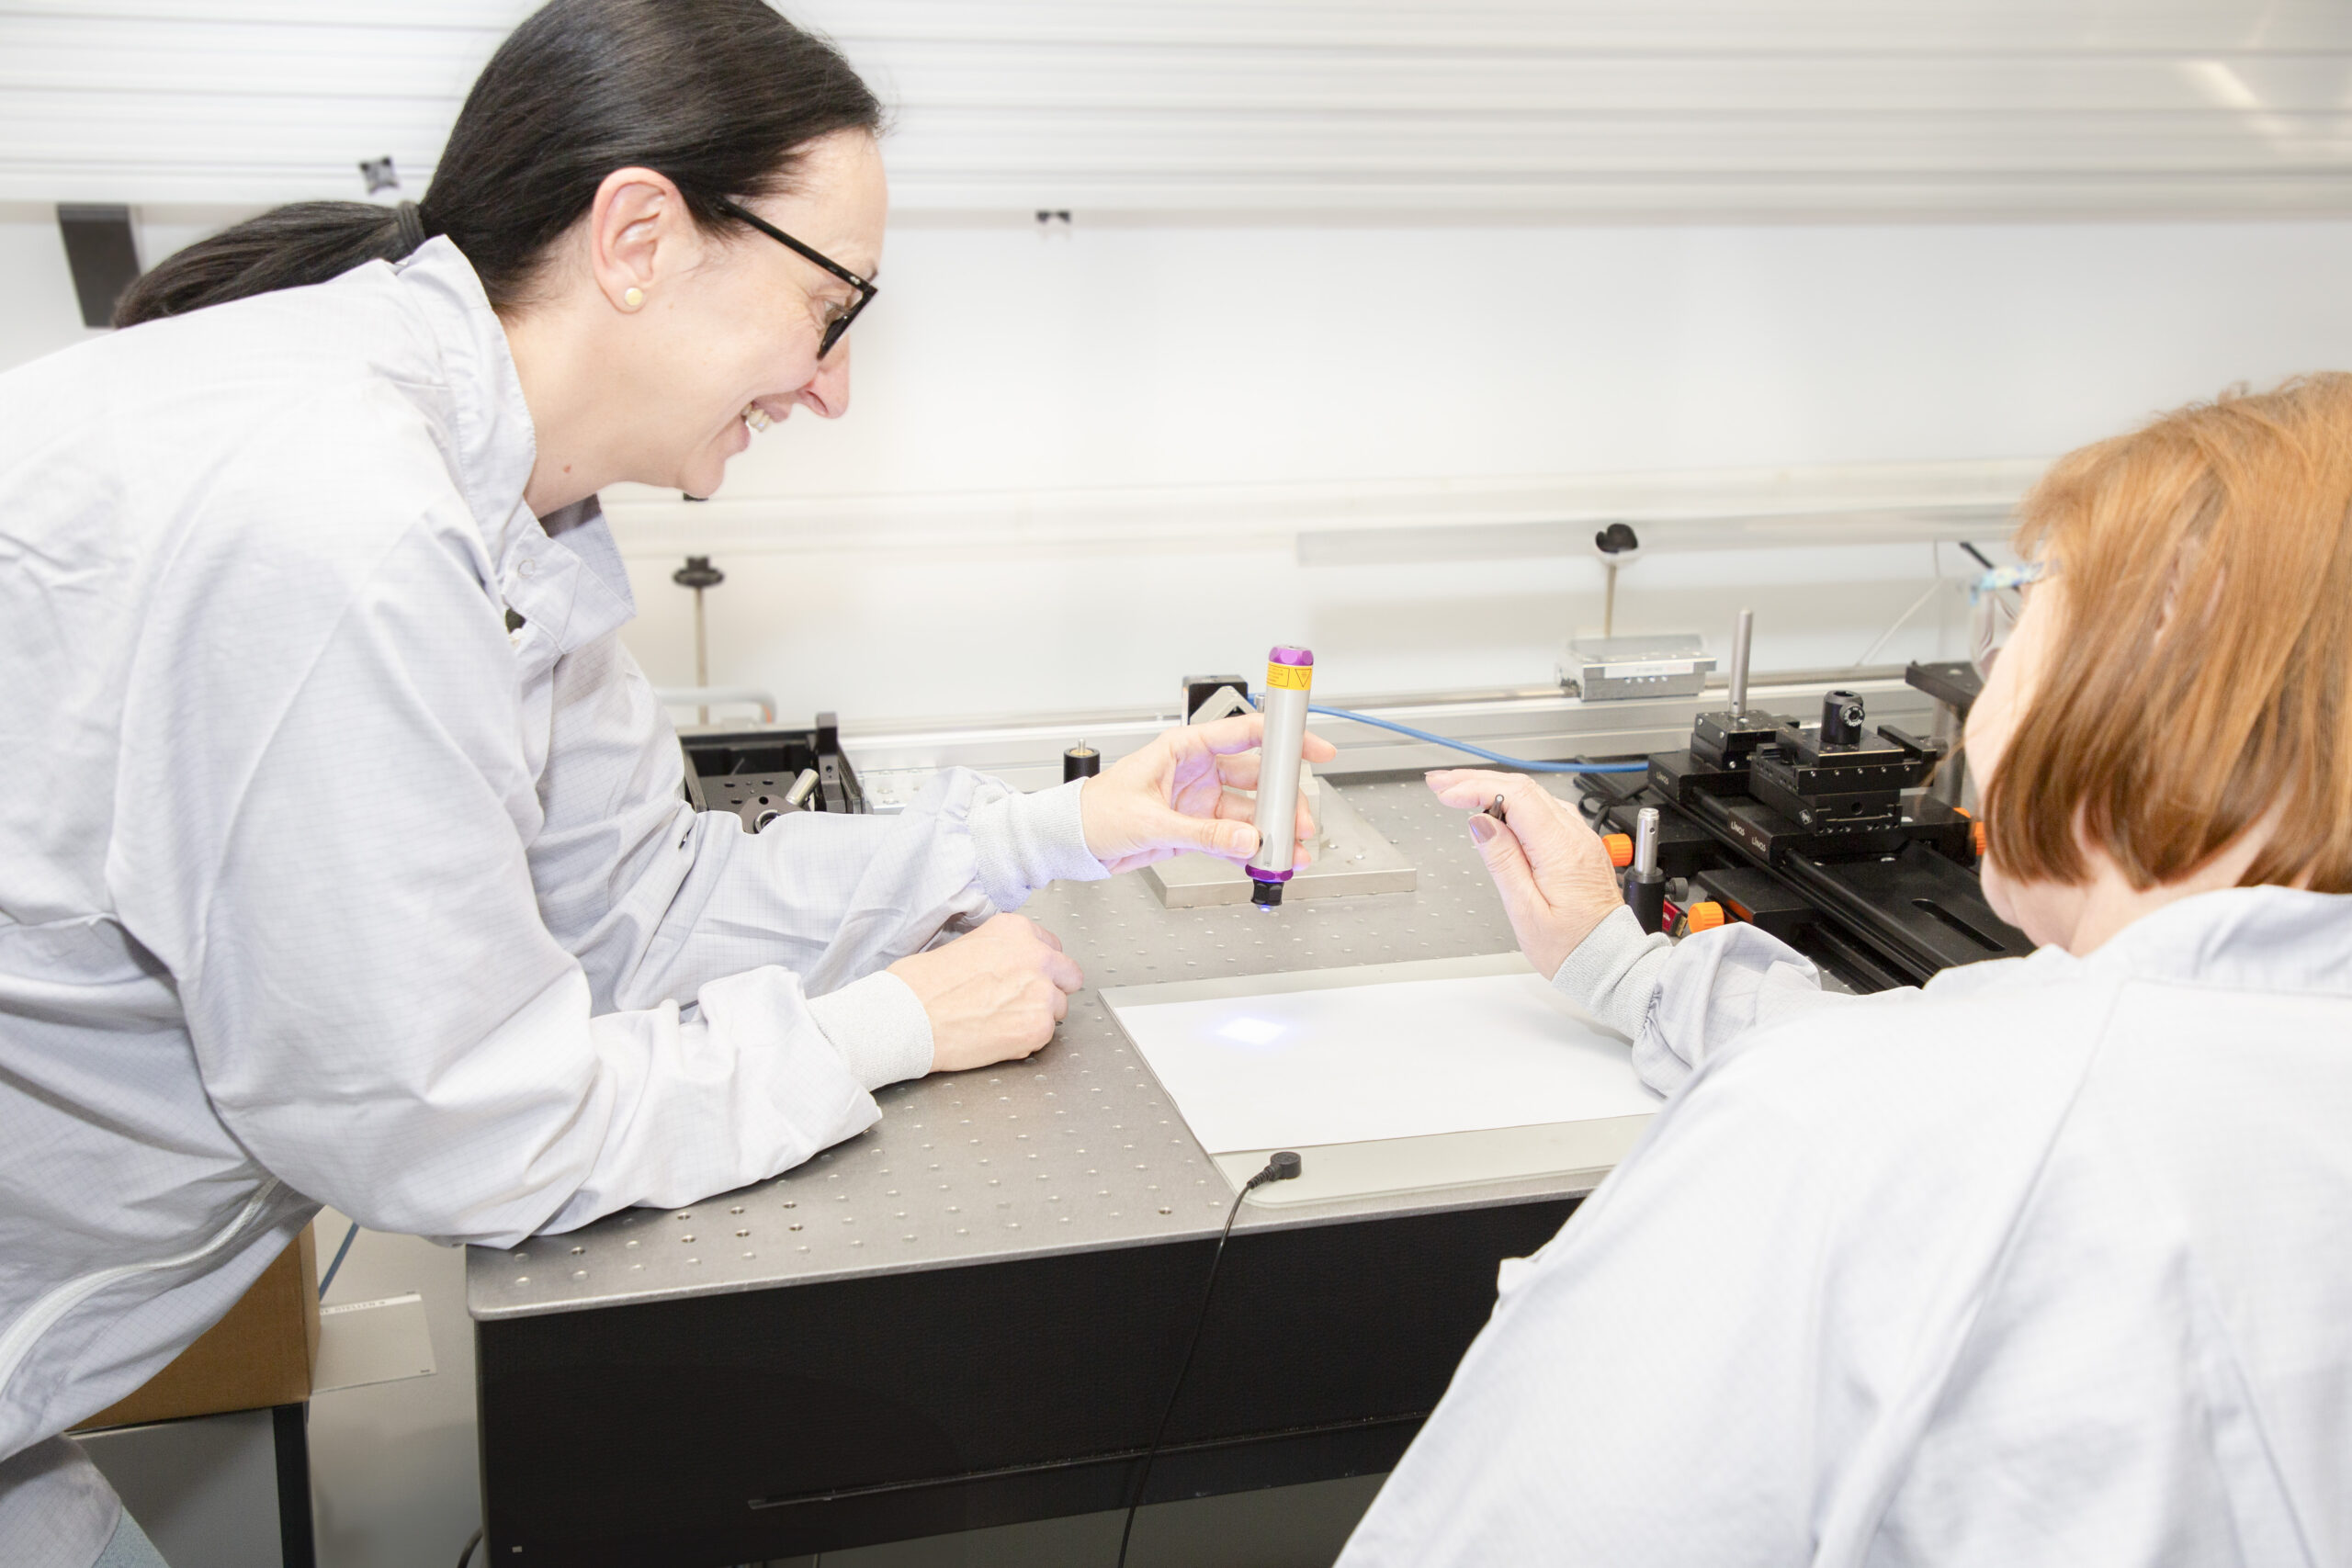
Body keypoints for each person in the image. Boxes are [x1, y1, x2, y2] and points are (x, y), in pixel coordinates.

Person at [0, 4, 1329, 1563]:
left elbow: (642, 898)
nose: (832, 386)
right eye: (832, 306)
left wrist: (1062, 830)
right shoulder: (338, 517)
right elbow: (458, 1129)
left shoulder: (495, 500)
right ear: (637, 234)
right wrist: (894, 1026)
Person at [1343, 376, 2352, 1565]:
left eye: (2028, 606)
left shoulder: (1834, 1141)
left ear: (2157, 668)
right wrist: (1619, 965)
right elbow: (1970, 1048)